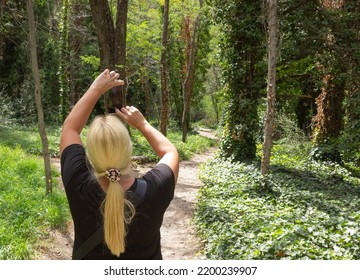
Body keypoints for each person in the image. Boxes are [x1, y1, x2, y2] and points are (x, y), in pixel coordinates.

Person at [60, 69, 179, 259]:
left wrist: (96, 89)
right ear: (128, 150)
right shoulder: (156, 188)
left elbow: (70, 128)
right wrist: (142, 124)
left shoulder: (77, 183)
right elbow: (170, 151)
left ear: (91, 154)